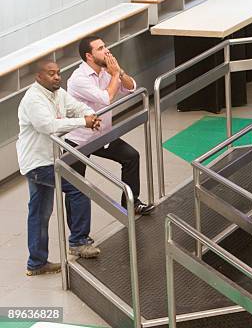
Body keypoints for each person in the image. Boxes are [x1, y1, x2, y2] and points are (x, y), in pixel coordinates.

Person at [17, 60, 102, 276]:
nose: (57, 77)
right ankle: (79, 241)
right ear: (39, 77)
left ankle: (36, 263)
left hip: (48, 159)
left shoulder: (58, 92)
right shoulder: (33, 100)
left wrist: (90, 115)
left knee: (39, 212)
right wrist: (83, 122)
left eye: (58, 73)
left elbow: (76, 107)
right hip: (38, 163)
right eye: (51, 74)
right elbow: (48, 126)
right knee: (79, 188)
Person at [65, 36, 154, 215]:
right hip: (78, 140)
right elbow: (106, 98)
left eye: (105, 46)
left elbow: (131, 87)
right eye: (100, 48)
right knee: (75, 185)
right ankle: (77, 237)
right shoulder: (78, 78)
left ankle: (131, 204)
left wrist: (119, 72)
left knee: (131, 156)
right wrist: (114, 75)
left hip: (102, 135)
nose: (107, 50)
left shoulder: (106, 72)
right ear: (89, 56)